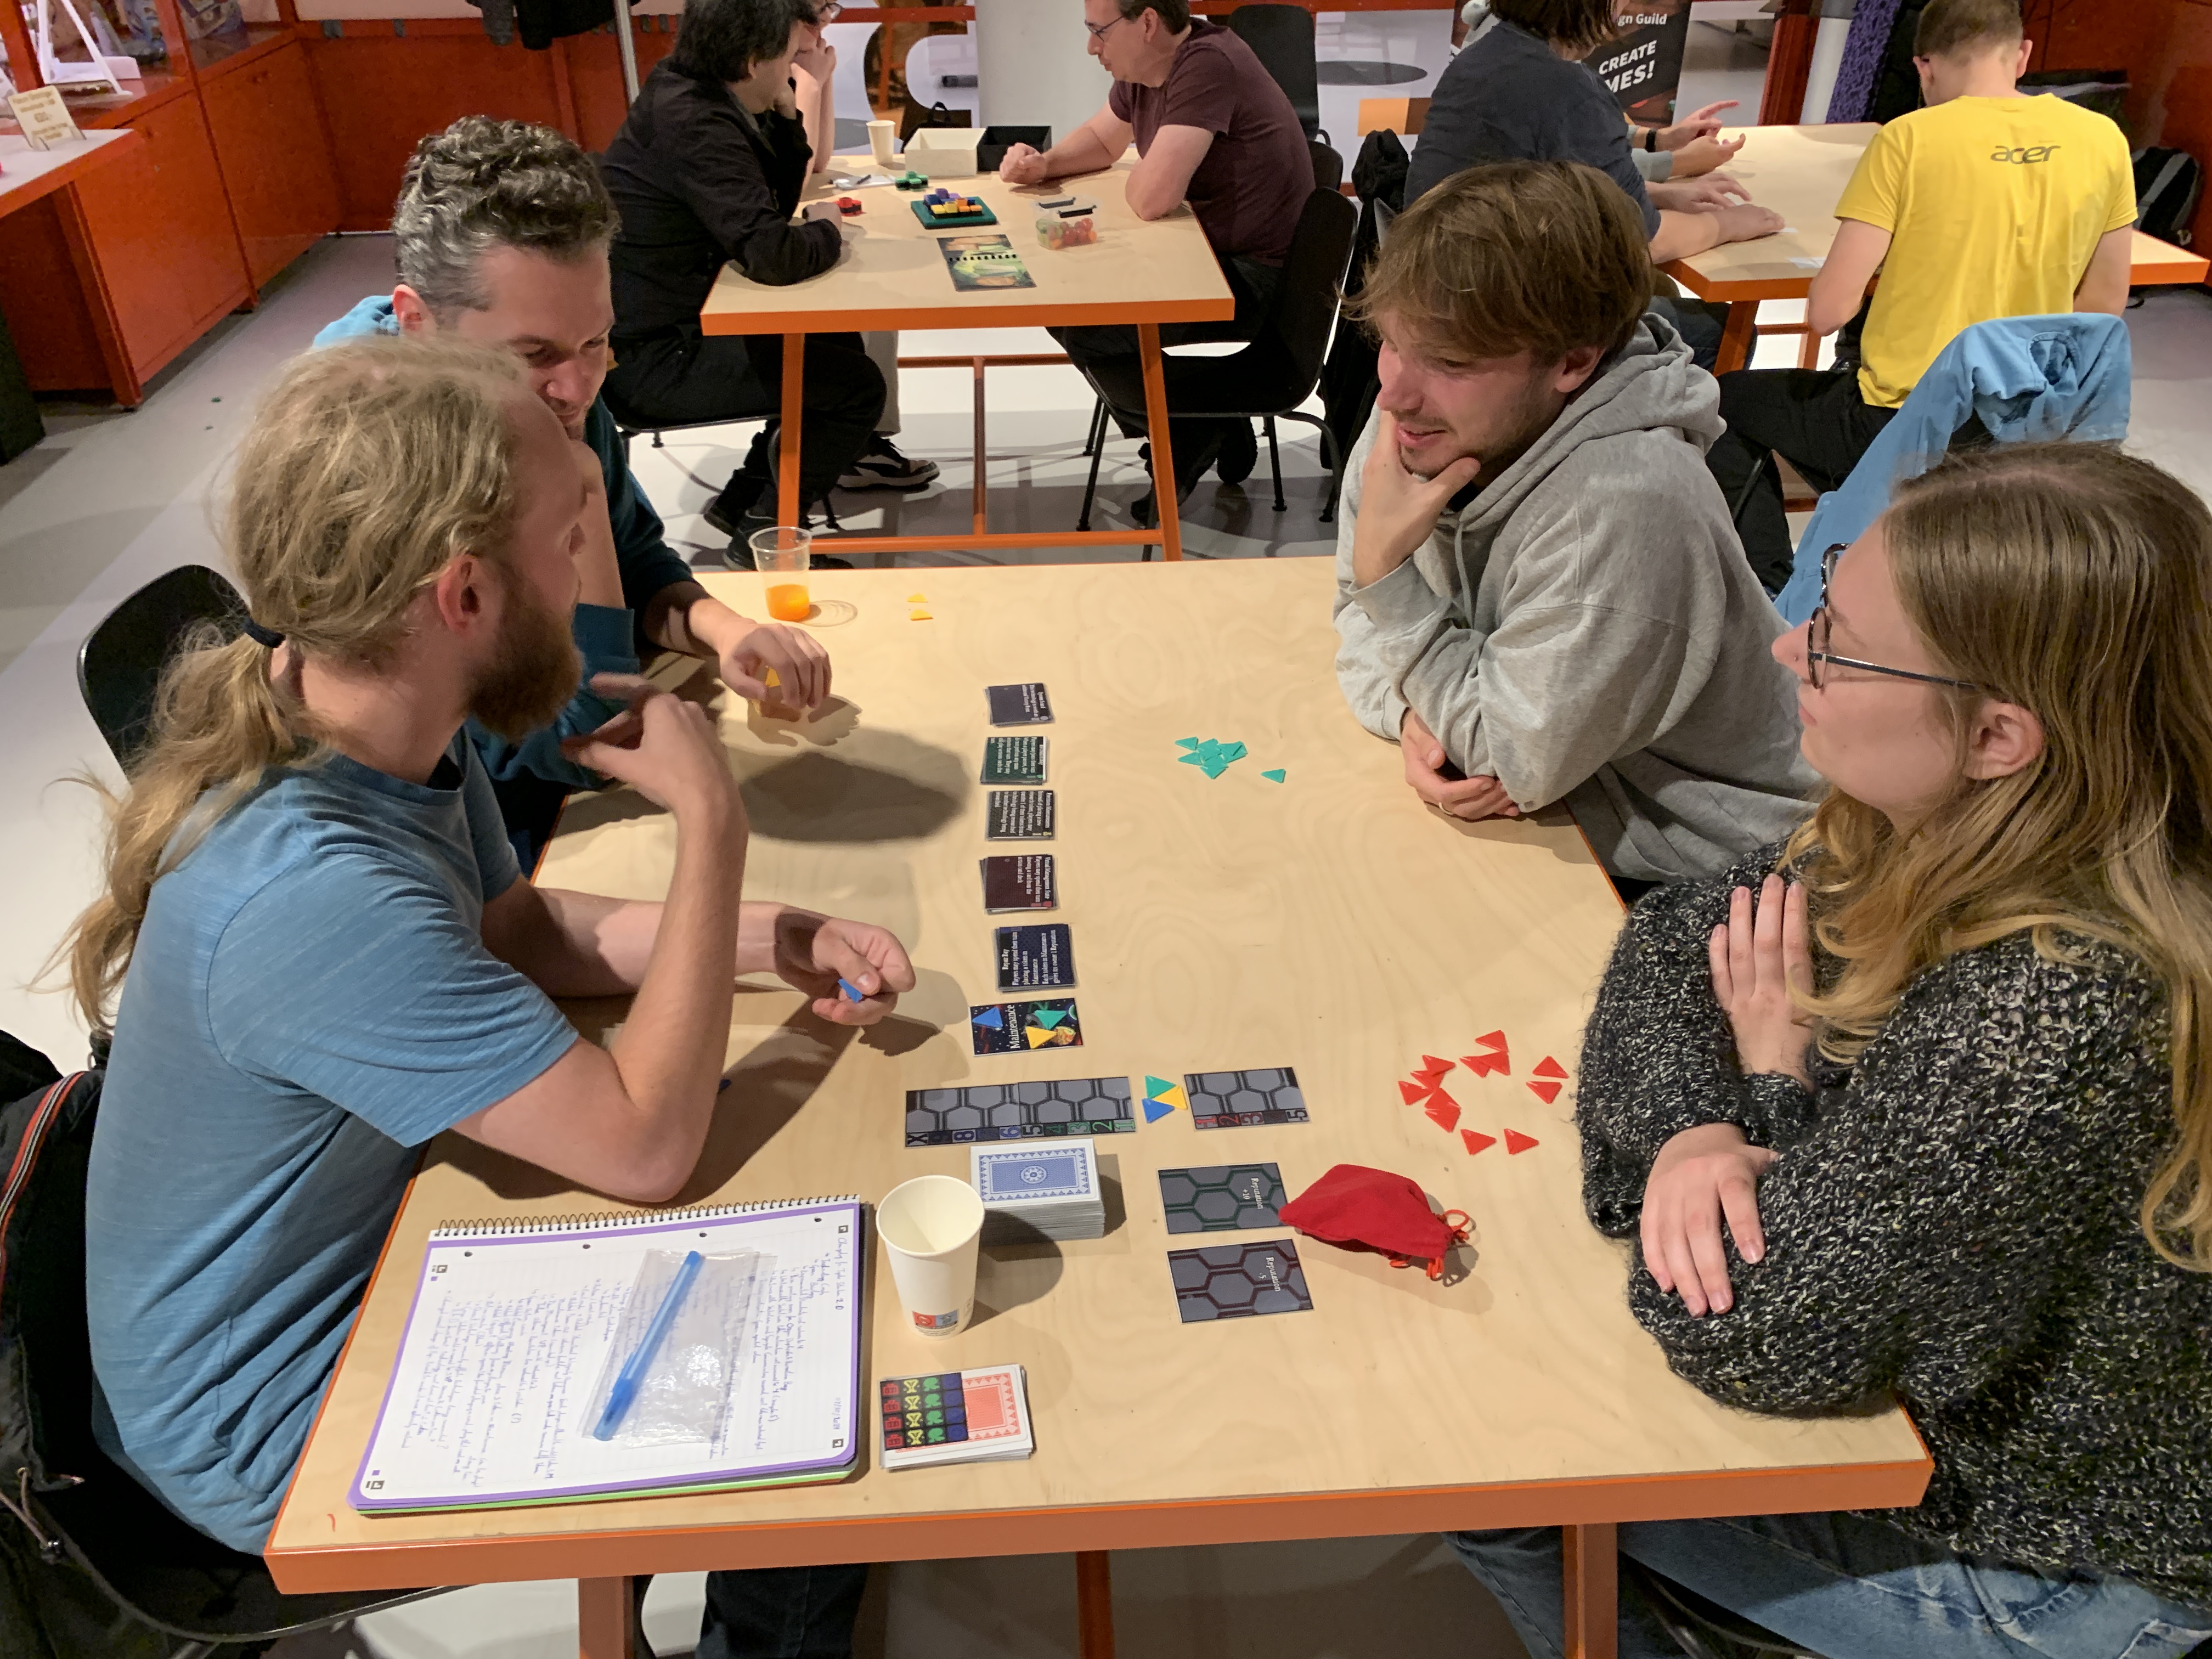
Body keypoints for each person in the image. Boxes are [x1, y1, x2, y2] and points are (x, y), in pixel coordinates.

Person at [71, 336, 912, 1656]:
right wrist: (712, 822)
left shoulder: (362, 712)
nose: (591, 577)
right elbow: (644, 1147)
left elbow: (513, 931)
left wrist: (775, 938)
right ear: (463, 593)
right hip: (269, 1426)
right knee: (806, 1353)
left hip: (344, 1264)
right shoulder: (310, 892)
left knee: (788, 1219)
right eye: (569, 542)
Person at [1453, 441, 2212, 1657]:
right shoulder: (1943, 821)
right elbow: (1679, 935)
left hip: (2056, 1569)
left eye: (1841, 647)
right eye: (1821, 604)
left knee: (1493, 1461)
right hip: (1957, 1422)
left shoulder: (2047, 1008)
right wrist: (1693, 1131)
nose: (1786, 650)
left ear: (1998, 734)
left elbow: (1754, 1326)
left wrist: (1767, 1087)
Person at [316, 116, 833, 864]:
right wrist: (581, 488)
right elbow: (578, 739)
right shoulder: (365, 483)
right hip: (458, 850)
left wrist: (725, 632)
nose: (579, 386)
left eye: (597, 341)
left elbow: (636, 559)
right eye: (535, 354)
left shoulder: (539, 395)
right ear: (418, 323)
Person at [1331, 160, 1816, 889]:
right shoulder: (1421, 424)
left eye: (1449, 361)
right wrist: (1414, 719)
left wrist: (1389, 584)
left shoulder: (1625, 505)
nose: (1394, 393)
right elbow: (1357, 616)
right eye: (1393, 343)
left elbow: (1505, 755)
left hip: (1718, 867)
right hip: (1575, 806)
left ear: (1574, 362)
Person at [1702, 0, 2135, 591]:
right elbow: (2103, 308)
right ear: (2023, 56)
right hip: (2020, 427)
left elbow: (1828, 313)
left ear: (1924, 67)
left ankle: (1775, 590)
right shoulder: (2102, 137)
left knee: (1723, 401)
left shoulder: (1909, 138)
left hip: (1900, 423)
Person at [601, 0, 930, 552]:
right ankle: (766, 537)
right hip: (656, 359)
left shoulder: (692, 88)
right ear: (753, 61)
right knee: (856, 388)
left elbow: (772, 202)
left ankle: (744, 500)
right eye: (787, 58)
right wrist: (827, 229)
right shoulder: (696, 122)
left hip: (683, 319)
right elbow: (774, 254)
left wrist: (785, 113)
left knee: (835, 338)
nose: (793, 67)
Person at [998, 0, 1313, 526]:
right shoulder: (1149, 68)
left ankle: (1189, 430)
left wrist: (1144, 175)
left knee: (1088, 321)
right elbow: (1104, 140)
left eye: (1099, 31)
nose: (1091, 47)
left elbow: (1151, 198)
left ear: (1146, 23)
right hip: (1208, 258)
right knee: (1069, 305)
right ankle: (1202, 421)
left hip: (1258, 281)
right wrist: (1045, 165)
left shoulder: (1207, 66)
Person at [1404, 0, 1785, 371]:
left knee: (1655, 289)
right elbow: (1641, 243)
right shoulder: (1565, 84)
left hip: (1432, 282)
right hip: (1484, 317)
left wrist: (1665, 194)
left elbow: (1552, 176)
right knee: (1723, 333)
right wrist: (1729, 224)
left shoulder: (1492, 49)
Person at [788, 24, 932, 490]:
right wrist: (811, 84)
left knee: (873, 283)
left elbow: (821, 159)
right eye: (814, 16)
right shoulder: (762, 75)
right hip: (758, 257)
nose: (821, 29)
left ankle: (863, 442)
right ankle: (854, 446)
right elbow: (800, 173)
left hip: (780, 234)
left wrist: (823, 78)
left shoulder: (793, 65)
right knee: (865, 289)